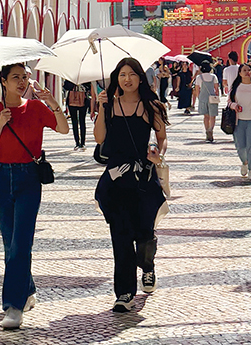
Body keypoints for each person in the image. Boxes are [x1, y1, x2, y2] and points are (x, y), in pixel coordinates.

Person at [0, 63, 69, 330]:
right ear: (3, 81)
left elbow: (63, 128)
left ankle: (13, 306)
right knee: (10, 243)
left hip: (29, 178)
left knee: (21, 243)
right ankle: (27, 289)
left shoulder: (36, 108)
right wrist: (1, 123)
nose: (22, 82)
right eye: (15, 77)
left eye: (25, 77)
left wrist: (52, 101)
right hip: (1, 177)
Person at [93, 58, 169, 313]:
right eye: (122, 75)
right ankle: (124, 292)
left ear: (140, 78)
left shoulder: (151, 106)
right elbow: (99, 137)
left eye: (132, 74)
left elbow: (161, 137)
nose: (127, 79)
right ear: (117, 78)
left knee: (145, 233)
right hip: (116, 180)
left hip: (144, 179)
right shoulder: (109, 105)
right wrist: (102, 108)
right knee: (121, 237)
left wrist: (158, 152)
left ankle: (148, 266)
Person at [194, 61, 220, 142]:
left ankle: (207, 131)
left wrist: (199, 97)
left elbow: (197, 89)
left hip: (203, 97)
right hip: (212, 97)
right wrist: (217, 96)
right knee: (213, 115)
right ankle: (210, 130)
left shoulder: (199, 77)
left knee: (206, 116)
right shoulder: (213, 76)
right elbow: (216, 88)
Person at [63, 79, 90, 150]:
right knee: (74, 122)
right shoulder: (70, 77)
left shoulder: (84, 77)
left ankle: (83, 143)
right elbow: (65, 87)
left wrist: (81, 84)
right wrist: (73, 83)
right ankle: (77, 143)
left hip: (83, 100)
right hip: (72, 100)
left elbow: (89, 87)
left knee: (82, 121)